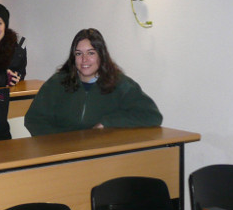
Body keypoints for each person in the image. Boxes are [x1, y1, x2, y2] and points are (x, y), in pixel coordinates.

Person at [24, 28, 163, 136]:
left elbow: (151, 116)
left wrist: (107, 122)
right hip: (63, 153)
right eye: (79, 54)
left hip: (102, 154)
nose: (84, 60)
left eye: (91, 53)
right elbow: (34, 119)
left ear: (101, 55)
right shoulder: (57, 83)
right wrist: (59, 141)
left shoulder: (119, 84)